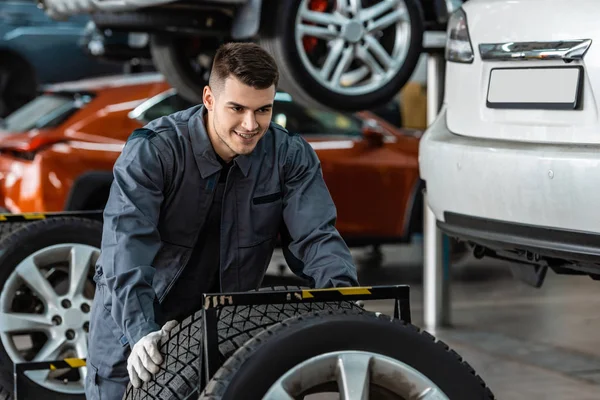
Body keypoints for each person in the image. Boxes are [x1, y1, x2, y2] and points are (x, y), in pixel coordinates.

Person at [84, 42, 360, 400]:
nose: (251, 125)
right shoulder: (155, 151)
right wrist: (139, 331)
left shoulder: (288, 156)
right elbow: (126, 247)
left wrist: (345, 305)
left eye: (264, 110)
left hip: (225, 330)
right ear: (209, 99)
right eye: (238, 108)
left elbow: (316, 238)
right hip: (135, 328)